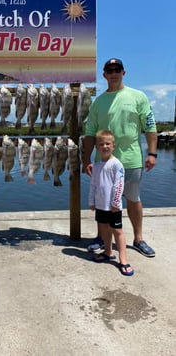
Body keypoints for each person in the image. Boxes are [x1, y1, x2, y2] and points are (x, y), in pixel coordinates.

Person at [83, 58, 157, 257]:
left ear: (123, 72)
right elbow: (90, 133)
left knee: (133, 199)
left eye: (117, 69)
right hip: (103, 162)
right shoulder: (98, 102)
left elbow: (150, 126)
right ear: (104, 74)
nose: (113, 73)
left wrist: (151, 153)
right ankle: (101, 237)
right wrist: (86, 159)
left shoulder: (138, 96)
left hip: (131, 159)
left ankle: (139, 239)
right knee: (102, 201)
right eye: (109, 70)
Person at [89, 130, 134, 276]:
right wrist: (92, 201)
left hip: (113, 207)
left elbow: (119, 185)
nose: (105, 146)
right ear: (96, 147)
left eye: (108, 143)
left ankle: (123, 259)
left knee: (117, 232)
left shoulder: (116, 165)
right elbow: (93, 185)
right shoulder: (96, 166)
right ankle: (108, 252)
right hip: (101, 206)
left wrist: (116, 202)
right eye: (101, 144)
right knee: (105, 231)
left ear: (113, 146)